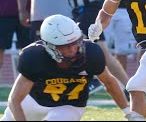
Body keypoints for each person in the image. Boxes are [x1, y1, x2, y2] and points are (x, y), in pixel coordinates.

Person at [0, 14, 130, 121]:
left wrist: (128, 113)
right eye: (65, 46)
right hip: (35, 101)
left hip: (69, 106)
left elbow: (110, 83)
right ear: (49, 46)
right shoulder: (34, 57)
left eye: (75, 43)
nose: (73, 50)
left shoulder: (91, 53)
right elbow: (15, 100)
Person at [46, 0, 129, 94]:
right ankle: (130, 87)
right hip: (77, 11)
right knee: (103, 52)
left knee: (78, 42)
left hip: (93, 6)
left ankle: (90, 79)